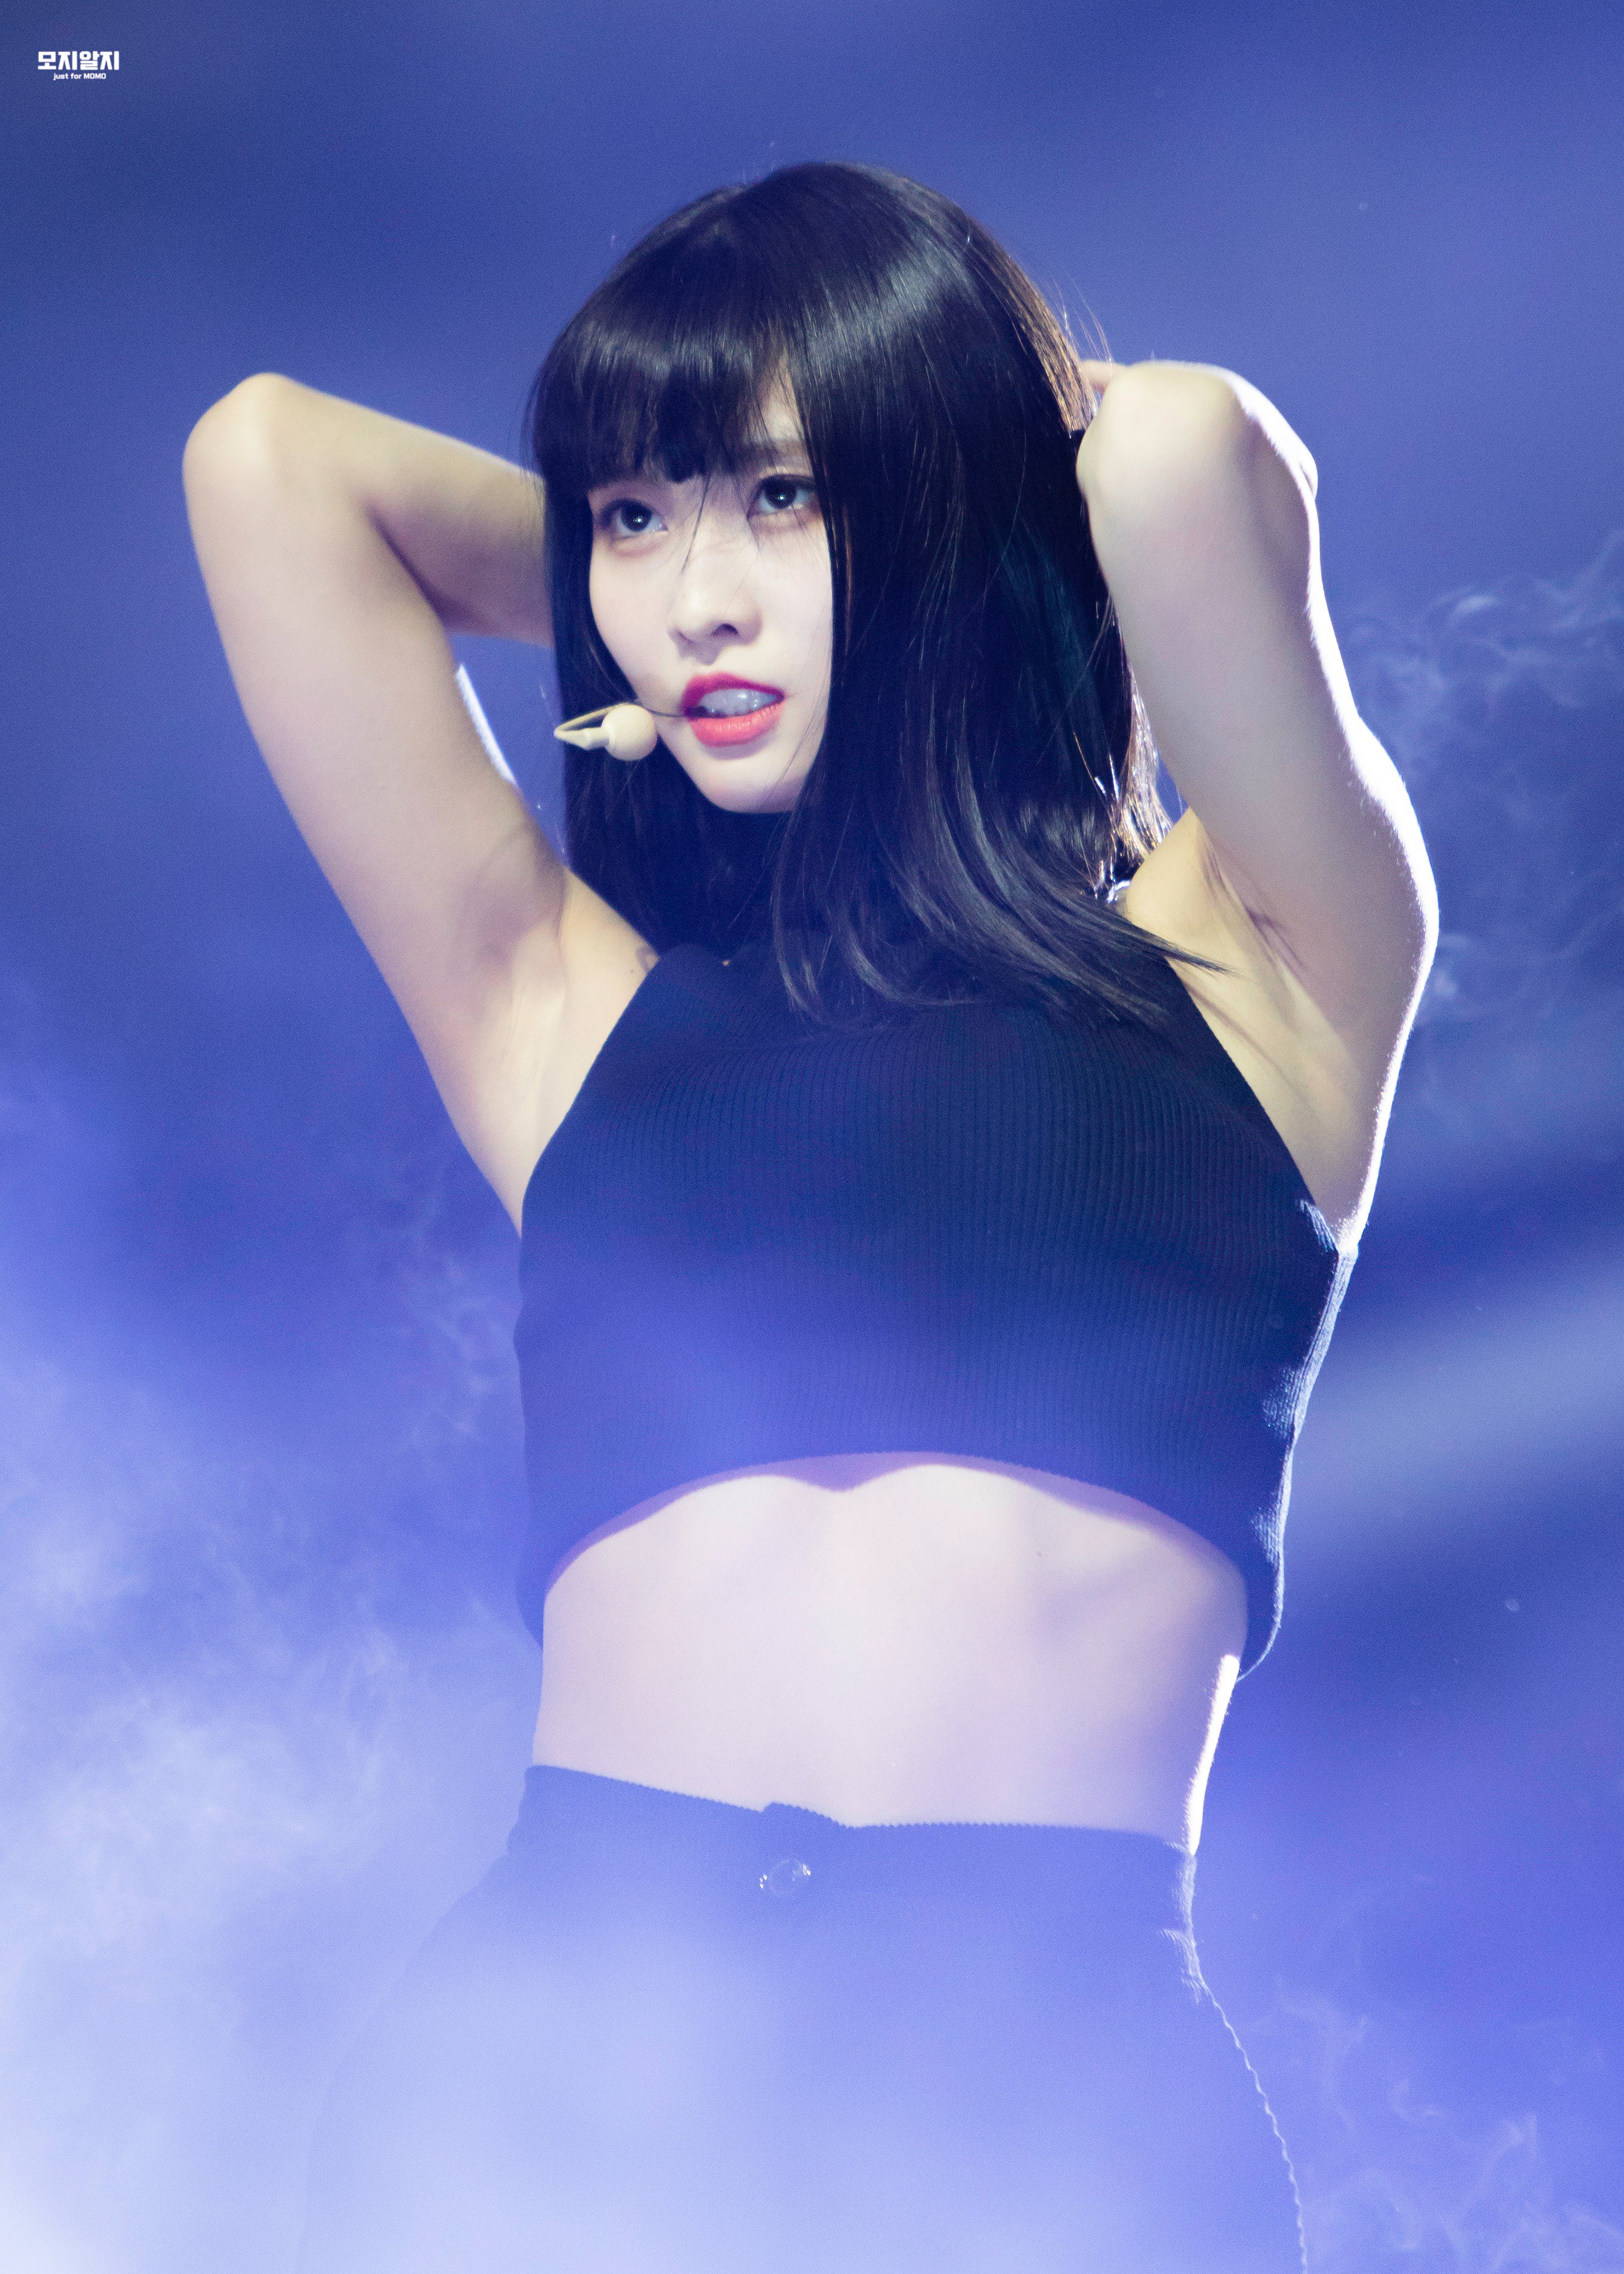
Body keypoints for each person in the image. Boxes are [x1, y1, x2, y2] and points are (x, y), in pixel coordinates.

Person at [184, 163, 1435, 2273]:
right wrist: (688, 567)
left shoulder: (1264, 968)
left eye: (782, 499)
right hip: (562, 2051)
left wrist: (949, 546)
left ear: (949, 508)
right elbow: (267, 465)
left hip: (1046, 2088)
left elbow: (1179, 450)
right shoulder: (564, 1014)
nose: (693, 602)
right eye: (630, 515)